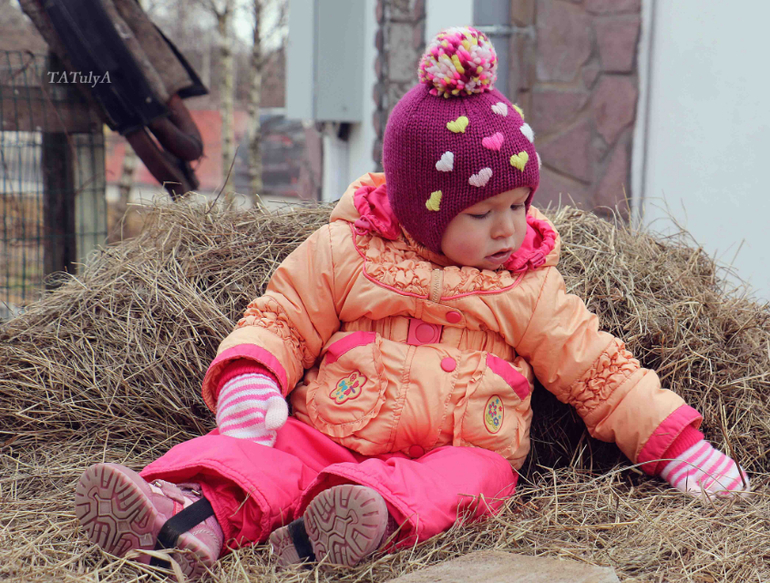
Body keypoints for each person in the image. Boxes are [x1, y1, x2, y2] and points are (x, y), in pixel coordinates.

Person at [74, 26, 750, 581]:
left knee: (469, 480)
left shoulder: (528, 284)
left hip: (458, 444)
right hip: (334, 427)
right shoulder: (348, 249)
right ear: (423, 211)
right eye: (484, 213)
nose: (510, 228)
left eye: (518, 204)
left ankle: (350, 521)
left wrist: (680, 447)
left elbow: (602, 373)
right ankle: (184, 511)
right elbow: (282, 314)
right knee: (265, 450)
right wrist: (252, 375)